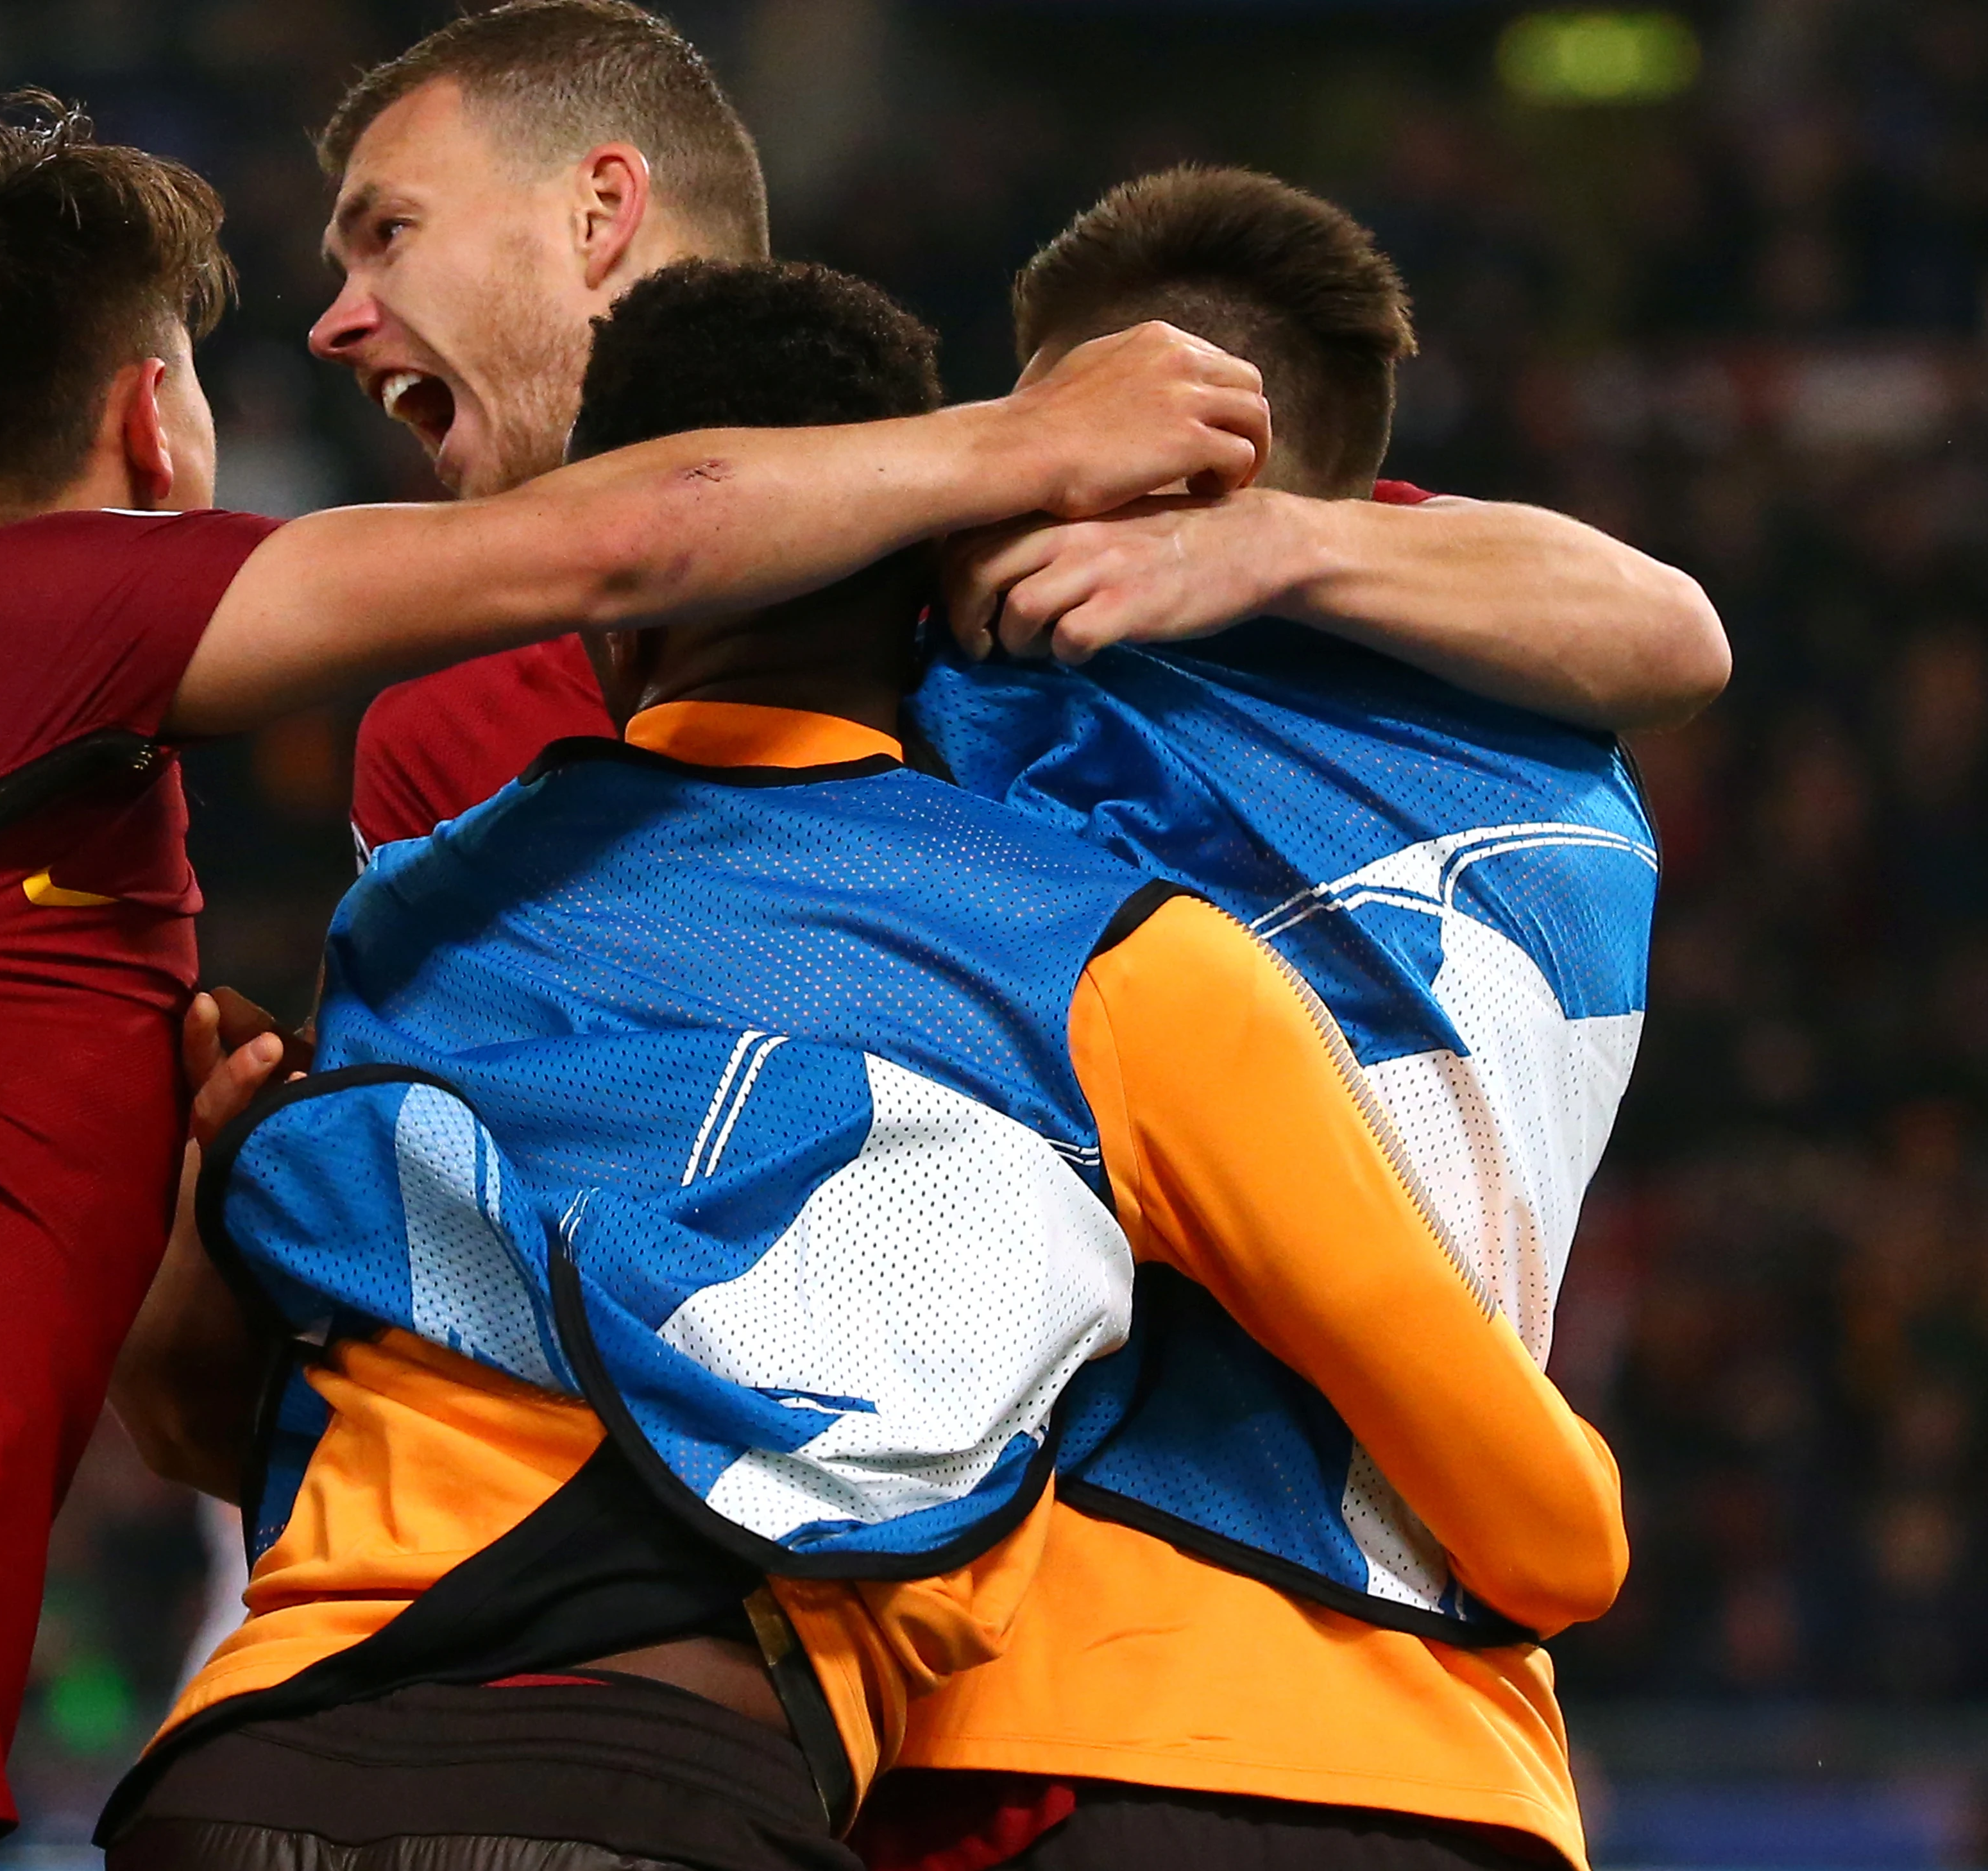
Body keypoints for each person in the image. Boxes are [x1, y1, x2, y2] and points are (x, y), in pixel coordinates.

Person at [0, 99, 1273, 1870]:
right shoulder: (39, 601)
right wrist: (1019, 442)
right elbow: (602, 538)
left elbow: (104, 1357)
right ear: (153, 423)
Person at [99, 259, 1622, 1871]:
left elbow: (215, 1428)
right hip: (657, 1787)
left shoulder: (408, 915)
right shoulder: (1113, 964)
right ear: (937, 595)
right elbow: (1555, 1540)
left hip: (240, 1776)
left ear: (604, 610)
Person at [858, 167, 1675, 1871]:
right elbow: (1680, 629)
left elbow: (699, 520)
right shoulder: (1568, 776)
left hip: (1076, 1721)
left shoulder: (1015, 705)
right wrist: (1288, 536)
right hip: (1472, 1772)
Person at [319, 0, 1726, 863]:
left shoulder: (1036, 559)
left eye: (392, 233)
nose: (337, 318)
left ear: (599, 212)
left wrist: (1277, 539)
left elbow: (1669, 637)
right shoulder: (440, 733)